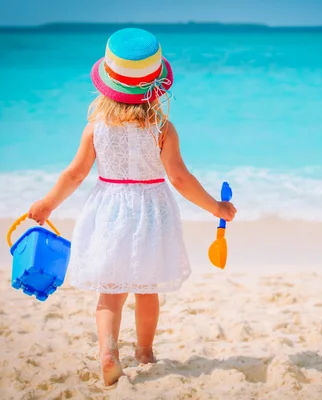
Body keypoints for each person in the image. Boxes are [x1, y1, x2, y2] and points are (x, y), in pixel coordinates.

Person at [27, 28, 237, 386]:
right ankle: (144, 351)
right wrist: (216, 207)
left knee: (110, 291)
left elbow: (75, 174)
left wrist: (47, 204)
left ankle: (108, 352)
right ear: (157, 87)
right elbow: (181, 179)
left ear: (107, 83)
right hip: (151, 215)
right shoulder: (162, 129)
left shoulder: (95, 128)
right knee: (146, 288)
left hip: (108, 212)